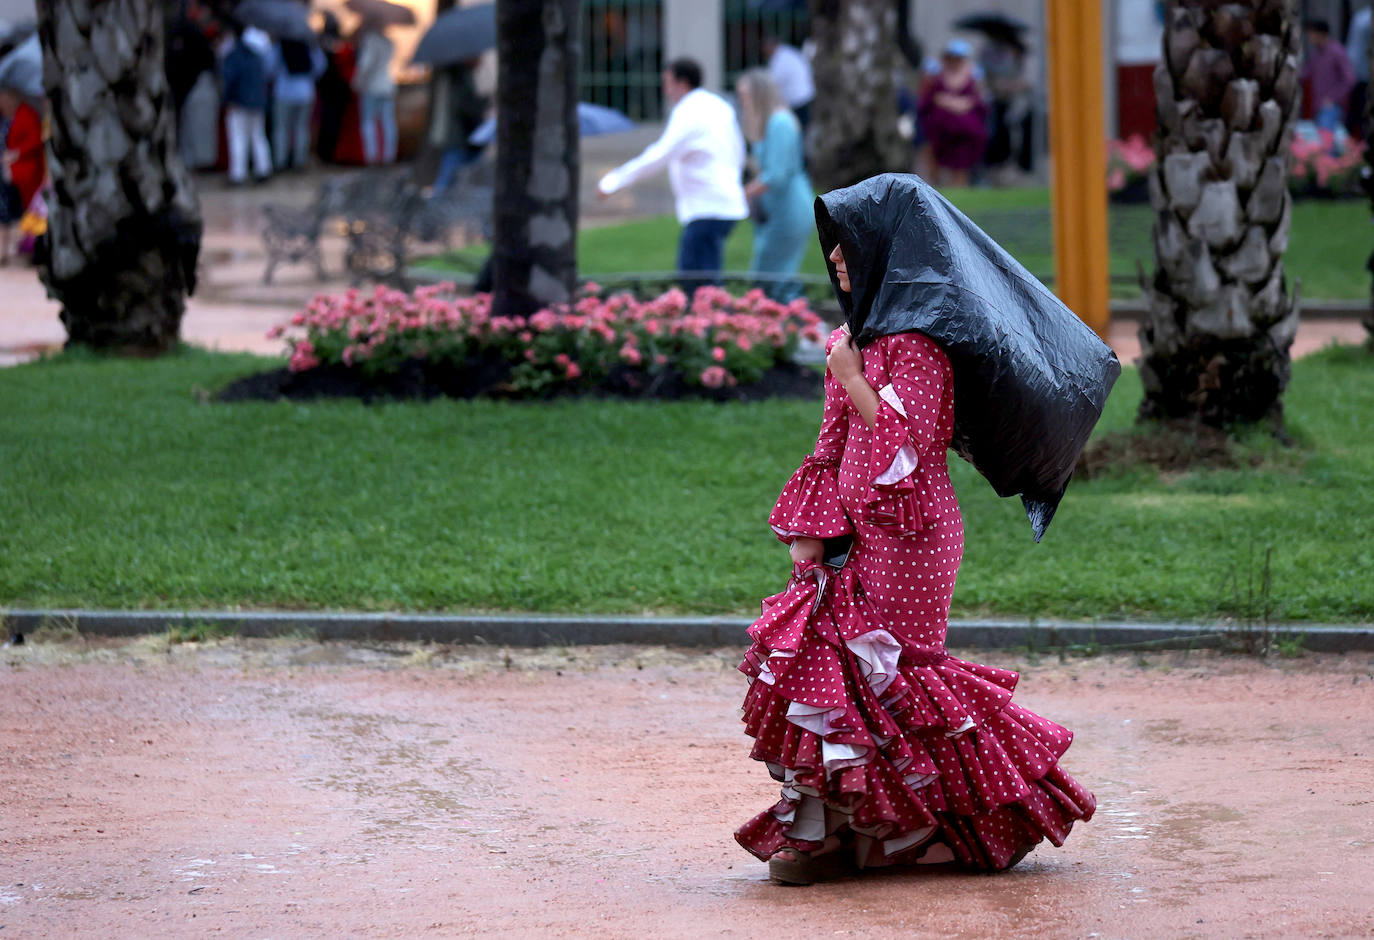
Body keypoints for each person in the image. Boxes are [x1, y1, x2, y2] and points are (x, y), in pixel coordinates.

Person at [734, 180, 1096, 884]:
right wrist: (810, 532)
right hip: (855, 532)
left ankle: (984, 819)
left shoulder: (918, 347)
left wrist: (853, 375)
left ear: (883, 254)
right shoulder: (854, 340)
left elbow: (914, 440)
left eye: (849, 246)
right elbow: (831, 443)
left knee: (897, 678)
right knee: (833, 666)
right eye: (832, 247)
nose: (836, 259)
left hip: (915, 533)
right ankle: (843, 832)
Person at [597, 58, 748, 290]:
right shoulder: (719, 106)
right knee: (704, 280)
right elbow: (739, 152)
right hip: (723, 204)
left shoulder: (689, 111)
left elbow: (659, 155)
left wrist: (613, 181)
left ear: (682, 83)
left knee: (697, 283)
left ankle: (709, 324)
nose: (665, 90)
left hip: (707, 208)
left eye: (667, 83)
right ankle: (712, 322)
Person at [735, 69, 812, 302]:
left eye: (745, 96)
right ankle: (790, 328)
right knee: (773, 274)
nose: (743, 102)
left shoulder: (779, 122)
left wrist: (741, 194)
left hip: (789, 208)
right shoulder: (773, 122)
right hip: (778, 209)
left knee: (770, 276)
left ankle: (797, 328)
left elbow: (776, 176)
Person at [917, 39, 988, 187]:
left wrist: (960, 103)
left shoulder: (974, 75)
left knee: (961, 164)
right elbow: (926, 100)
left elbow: (980, 102)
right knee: (933, 157)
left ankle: (959, 187)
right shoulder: (935, 75)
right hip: (939, 132)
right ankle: (934, 186)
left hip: (965, 132)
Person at [221, 22, 273, 184]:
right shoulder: (259, 54)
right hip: (257, 102)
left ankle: (238, 174)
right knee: (257, 136)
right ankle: (263, 169)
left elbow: (229, 79)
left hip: (239, 102)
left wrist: (226, 99)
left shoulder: (235, 55)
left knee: (238, 138)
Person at [431, 59, 489, 195]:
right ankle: (437, 204)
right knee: (448, 174)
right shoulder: (459, 77)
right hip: (456, 134)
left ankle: (442, 202)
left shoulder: (450, 74)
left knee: (450, 173)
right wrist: (483, 102)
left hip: (452, 133)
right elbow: (465, 105)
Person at [0, 85, 43, 264]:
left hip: (24, 171)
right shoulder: (5, 117)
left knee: (19, 213)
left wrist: (16, 153)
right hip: (8, 170)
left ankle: (10, 250)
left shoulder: (26, 114)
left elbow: (36, 139)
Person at [273, 37, 325, 171]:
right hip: (305, 91)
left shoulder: (281, 44)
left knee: (281, 128)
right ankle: (299, 161)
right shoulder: (309, 45)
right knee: (302, 128)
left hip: (284, 91)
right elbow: (321, 65)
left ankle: (280, 161)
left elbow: (270, 66)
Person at [1301, 19, 1356, 134]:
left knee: (1327, 142)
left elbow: (1350, 79)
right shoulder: (1317, 53)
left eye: (1311, 34)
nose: (1309, 38)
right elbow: (1305, 73)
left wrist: (1334, 98)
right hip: (1318, 106)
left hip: (1331, 107)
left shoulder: (1336, 51)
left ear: (1320, 34)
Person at [353, 23, 398, 165]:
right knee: (387, 122)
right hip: (387, 86)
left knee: (368, 122)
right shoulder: (389, 42)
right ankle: (389, 155)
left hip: (372, 87)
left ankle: (371, 156)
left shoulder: (371, 41)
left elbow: (366, 65)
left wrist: (357, 82)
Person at [761, 32, 815, 130]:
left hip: (799, 99)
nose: (764, 51)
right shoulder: (786, 52)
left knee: (800, 129)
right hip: (803, 95)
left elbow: (772, 81)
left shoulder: (780, 58)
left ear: (771, 45)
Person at [1345, 7, 1370, 138]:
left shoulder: (1361, 18)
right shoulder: (1365, 20)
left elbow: (1353, 51)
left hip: (1358, 75)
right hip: (1363, 77)